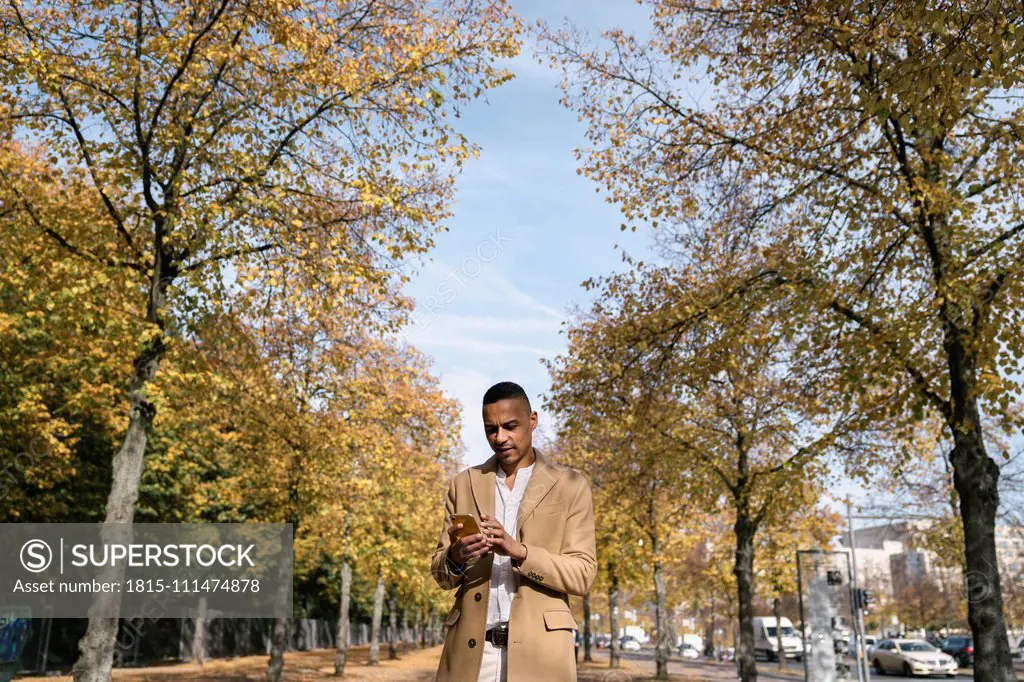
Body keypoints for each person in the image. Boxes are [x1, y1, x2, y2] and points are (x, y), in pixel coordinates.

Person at [431, 381, 597, 682]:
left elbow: (583, 573)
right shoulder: (463, 483)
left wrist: (520, 552)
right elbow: (441, 575)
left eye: (510, 426)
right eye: (491, 429)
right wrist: (455, 556)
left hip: (541, 658)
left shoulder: (571, 485)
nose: (500, 438)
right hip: (470, 657)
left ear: (532, 421)